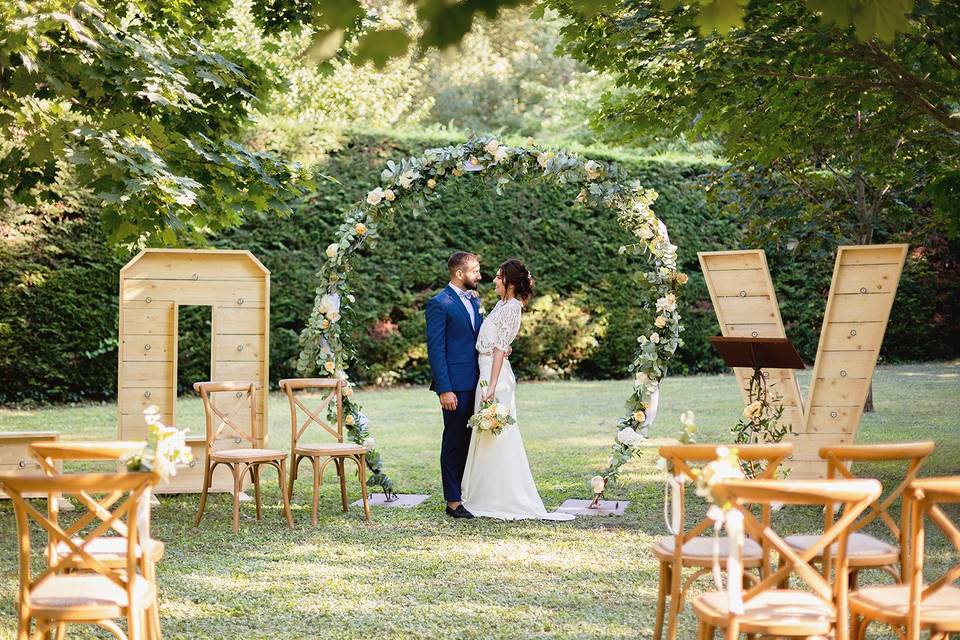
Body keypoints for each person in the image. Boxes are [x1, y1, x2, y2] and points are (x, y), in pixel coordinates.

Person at [460, 258, 575, 521]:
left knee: (498, 433)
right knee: (486, 434)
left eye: (499, 277)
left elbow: (501, 348)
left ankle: (502, 496)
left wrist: (491, 386)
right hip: (486, 372)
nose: (494, 281)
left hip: (495, 376)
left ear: (510, 282)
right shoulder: (500, 305)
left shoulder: (512, 307)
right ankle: (483, 492)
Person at [425, 251, 483, 518]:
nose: (479, 276)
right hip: (455, 386)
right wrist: (444, 389)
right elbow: (436, 350)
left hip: (477, 382)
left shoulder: (474, 300)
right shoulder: (440, 303)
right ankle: (453, 502)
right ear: (459, 274)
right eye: (475, 271)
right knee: (454, 440)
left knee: (472, 440)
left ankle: (468, 492)